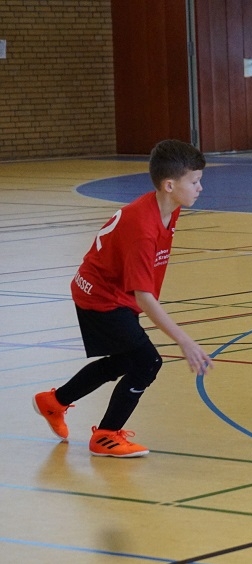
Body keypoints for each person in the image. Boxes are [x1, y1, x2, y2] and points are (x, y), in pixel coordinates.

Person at [32, 140, 215, 458]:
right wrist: (184, 341)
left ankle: (54, 402)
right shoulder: (143, 228)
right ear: (169, 185)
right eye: (195, 181)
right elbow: (144, 297)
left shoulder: (168, 208)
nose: (200, 187)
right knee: (148, 362)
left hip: (114, 292)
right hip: (100, 296)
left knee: (126, 360)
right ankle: (105, 436)